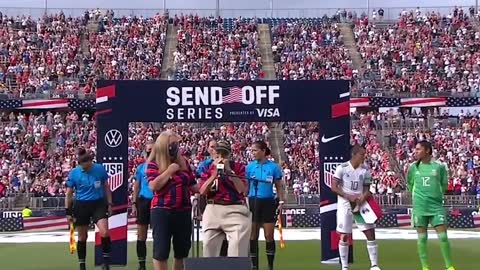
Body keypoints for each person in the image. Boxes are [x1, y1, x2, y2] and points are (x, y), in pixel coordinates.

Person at [146, 131, 198, 270]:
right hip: (162, 210)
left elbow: (194, 186)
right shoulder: (153, 163)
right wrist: (169, 171)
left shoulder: (184, 162)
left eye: (177, 144)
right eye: (173, 144)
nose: (176, 147)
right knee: (161, 251)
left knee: (182, 251)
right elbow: (153, 186)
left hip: (183, 210)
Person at [407, 141, 455, 270]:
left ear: (427, 150)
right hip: (420, 207)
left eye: (418, 149)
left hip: (436, 207)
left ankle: (449, 266)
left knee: (443, 236)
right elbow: (410, 184)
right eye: (415, 149)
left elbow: (444, 184)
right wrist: (418, 197)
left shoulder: (439, 166)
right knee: (422, 238)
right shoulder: (413, 167)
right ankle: (425, 267)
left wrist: (436, 195)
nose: (415, 152)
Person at [331, 144, 381, 270]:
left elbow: (367, 189)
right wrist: (348, 196)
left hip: (361, 203)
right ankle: (345, 266)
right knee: (344, 234)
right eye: (362, 154)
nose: (364, 157)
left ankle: (374, 265)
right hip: (345, 203)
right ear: (354, 154)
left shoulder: (365, 170)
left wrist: (362, 198)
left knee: (370, 232)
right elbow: (334, 187)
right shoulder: (342, 168)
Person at [199, 140, 251, 257]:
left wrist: (230, 171)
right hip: (213, 207)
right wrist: (214, 175)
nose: (221, 156)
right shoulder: (207, 167)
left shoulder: (239, 167)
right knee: (208, 246)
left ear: (229, 154)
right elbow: (202, 191)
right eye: (218, 153)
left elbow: (242, 190)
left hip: (235, 208)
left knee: (237, 247)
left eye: (224, 153)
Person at [65, 148, 113, 270]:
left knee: (105, 232)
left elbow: (106, 186)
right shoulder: (74, 173)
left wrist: (110, 203)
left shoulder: (100, 169)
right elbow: (69, 194)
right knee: (82, 237)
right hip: (81, 205)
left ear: (91, 162)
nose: (84, 169)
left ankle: (106, 262)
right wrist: (68, 212)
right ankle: (82, 264)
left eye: (86, 167)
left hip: (98, 204)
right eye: (82, 167)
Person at [246, 141, 285, 270]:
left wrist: (280, 201)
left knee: (269, 235)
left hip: (268, 202)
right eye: (252, 151)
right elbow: (246, 186)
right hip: (253, 201)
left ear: (263, 151)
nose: (253, 153)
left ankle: (270, 265)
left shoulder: (273, 167)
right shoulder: (250, 167)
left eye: (255, 150)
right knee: (253, 235)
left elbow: (279, 186)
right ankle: (254, 266)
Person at [195, 139, 229, 257]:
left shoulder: (228, 163)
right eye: (212, 147)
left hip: (225, 202)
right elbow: (201, 187)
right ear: (208, 149)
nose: (214, 150)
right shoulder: (204, 165)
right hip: (209, 202)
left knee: (224, 235)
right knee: (211, 234)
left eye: (216, 147)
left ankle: (224, 260)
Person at [131, 141, 154, 270]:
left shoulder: (161, 166)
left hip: (158, 202)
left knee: (159, 234)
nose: (150, 152)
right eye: (148, 149)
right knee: (141, 235)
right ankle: (142, 265)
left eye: (152, 149)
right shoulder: (141, 168)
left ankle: (159, 262)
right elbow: (137, 186)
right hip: (144, 201)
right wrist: (134, 203)